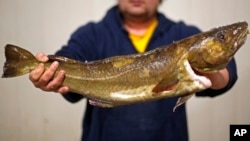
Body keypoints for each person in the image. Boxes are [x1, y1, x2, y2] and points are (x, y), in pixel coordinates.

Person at [29, 0, 237, 141]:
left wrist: (213, 74)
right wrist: (47, 73)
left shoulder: (184, 34)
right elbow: (66, 62)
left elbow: (227, 74)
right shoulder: (91, 34)